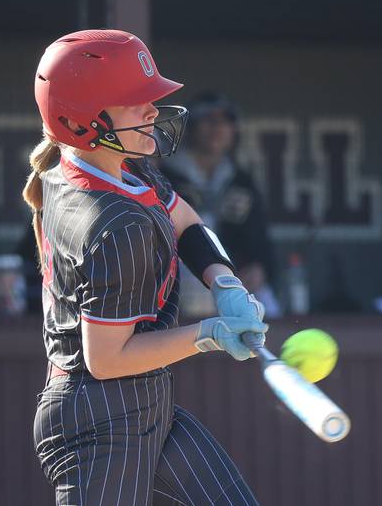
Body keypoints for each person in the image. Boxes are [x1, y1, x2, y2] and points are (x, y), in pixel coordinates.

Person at [23, 30, 268, 505]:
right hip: (98, 421)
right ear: (84, 120)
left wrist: (224, 281)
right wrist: (209, 334)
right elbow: (108, 358)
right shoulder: (112, 221)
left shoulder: (117, 163)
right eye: (136, 101)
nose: (153, 110)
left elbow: (185, 219)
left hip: (145, 404)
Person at [159, 92, 281, 318]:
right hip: (179, 276)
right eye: (208, 120)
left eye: (225, 121)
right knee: (198, 295)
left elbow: (260, 239)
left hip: (234, 276)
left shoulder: (240, 181)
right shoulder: (166, 177)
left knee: (266, 305)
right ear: (191, 127)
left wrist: (259, 268)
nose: (217, 128)